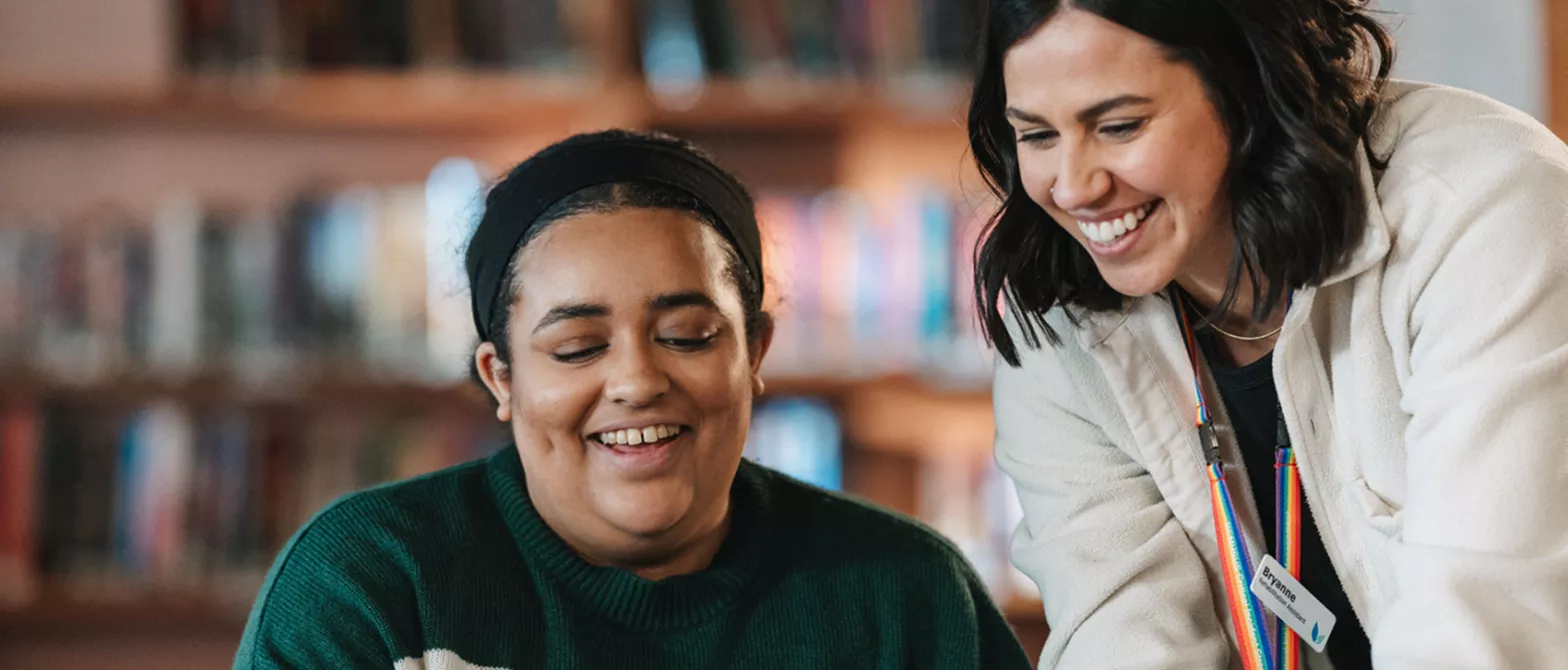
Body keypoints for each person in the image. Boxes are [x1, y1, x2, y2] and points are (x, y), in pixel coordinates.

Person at [233, 129, 1032, 670]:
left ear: (754, 352)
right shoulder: (370, 582)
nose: (638, 381)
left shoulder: (906, 595)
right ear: (500, 377)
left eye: (686, 335)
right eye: (578, 347)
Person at [968, 0, 1568, 668]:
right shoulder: (1058, 322)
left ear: (1248, 80)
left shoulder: (1485, 208)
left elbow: (1486, 631)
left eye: (1118, 125)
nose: (1074, 187)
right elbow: (1124, 639)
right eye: (1037, 136)